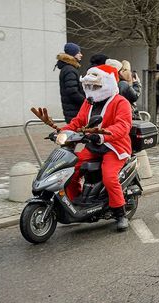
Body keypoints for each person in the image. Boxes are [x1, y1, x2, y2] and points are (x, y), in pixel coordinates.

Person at [59, 64, 132, 231]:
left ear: (108, 83)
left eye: (96, 86)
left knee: (109, 177)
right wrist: (61, 132)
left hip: (114, 146)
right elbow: (78, 121)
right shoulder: (89, 102)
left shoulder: (121, 102)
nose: (92, 89)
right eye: (89, 86)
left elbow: (123, 126)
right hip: (94, 146)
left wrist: (103, 135)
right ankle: (76, 203)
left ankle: (120, 213)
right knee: (71, 168)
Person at [55, 42, 85, 123]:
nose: (81, 55)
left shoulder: (68, 68)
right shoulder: (69, 70)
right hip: (74, 111)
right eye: (78, 52)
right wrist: (85, 102)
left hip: (72, 110)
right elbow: (72, 91)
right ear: (72, 54)